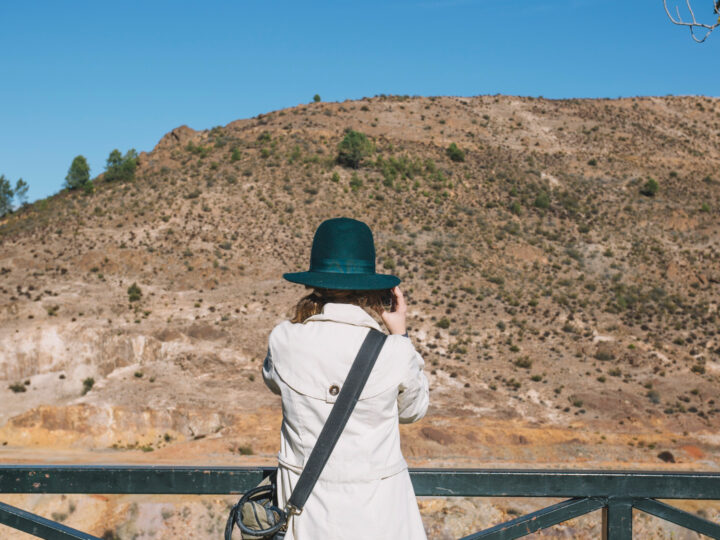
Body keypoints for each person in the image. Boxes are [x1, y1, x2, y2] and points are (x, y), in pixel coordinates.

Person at [262, 217, 429, 540]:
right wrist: (401, 332)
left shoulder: (284, 340)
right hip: (380, 519)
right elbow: (412, 411)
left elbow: (272, 381)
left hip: (303, 518)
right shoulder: (394, 352)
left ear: (314, 283)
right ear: (375, 291)